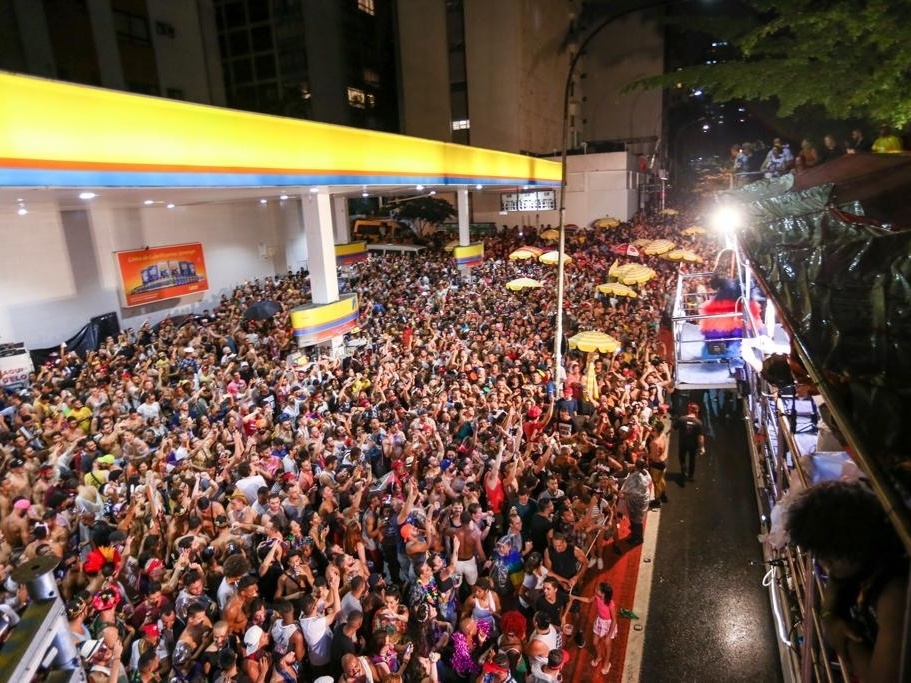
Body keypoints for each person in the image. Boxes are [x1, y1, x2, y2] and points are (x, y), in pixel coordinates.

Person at [786, 481, 908, 683]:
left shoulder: (896, 595)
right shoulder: (860, 565)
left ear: (851, 550)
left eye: (830, 557)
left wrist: (841, 635)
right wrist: (829, 616)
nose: (825, 565)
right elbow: (834, 588)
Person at [590, 582, 618, 676]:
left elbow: (614, 620)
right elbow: (588, 600)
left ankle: (607, 662)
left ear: (603, 593)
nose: (596, 589)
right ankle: (599, 656)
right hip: (600, 622)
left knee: (607, 644)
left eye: (598, 589)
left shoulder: (610, 603)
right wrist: (575, 598)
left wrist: (609, 636)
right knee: (595, 642)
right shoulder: (597, 597)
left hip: (608, 625)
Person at [674, 402, 704, 483]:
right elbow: (700, 437)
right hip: (693, 445)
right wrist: (702, 447)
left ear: (689, 410)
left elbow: (674, 427)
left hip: (683, 443)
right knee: (692, 460)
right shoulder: (698, 423)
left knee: (682, 457)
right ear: (697, 411)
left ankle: (684, 471)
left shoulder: (682, 419)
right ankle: (691, 476)